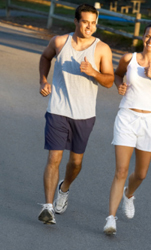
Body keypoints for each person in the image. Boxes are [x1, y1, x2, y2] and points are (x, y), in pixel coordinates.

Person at [38, 4, 114, 224]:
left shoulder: (102, 49)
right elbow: (45, 58)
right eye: (85, 21)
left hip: (84, 114)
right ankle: (48, 207)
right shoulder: (60, 42)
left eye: (93, 22)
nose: (89, 26)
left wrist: (94, 72)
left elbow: (109, 81)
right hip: (57, 110)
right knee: (54, 157)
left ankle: (65, 188)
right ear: (76, 21)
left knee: (76, 163)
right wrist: (43, 80)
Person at [103, 23, 151, 235]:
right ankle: (111, 219)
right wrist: (119, 85)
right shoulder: (129, 59)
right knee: (121, 170)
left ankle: (129, 194)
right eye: (148, 36)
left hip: (149, 122)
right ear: (143, 37)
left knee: (141, 174)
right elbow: (118, 75)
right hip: (126, 116)